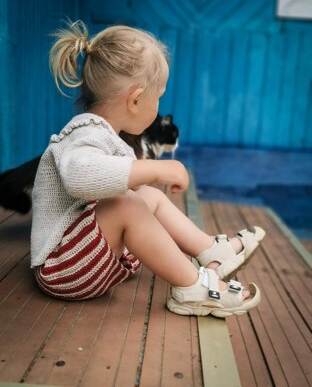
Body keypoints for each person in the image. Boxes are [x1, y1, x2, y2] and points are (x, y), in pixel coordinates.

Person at [31, 20, 265, 318]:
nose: (159, 105)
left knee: (145, 198)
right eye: (159, 96)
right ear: (136, 99)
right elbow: (80, 177)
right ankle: (192, 288)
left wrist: (142, 176)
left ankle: (210, 251)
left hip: (79, 259)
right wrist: (154, 168)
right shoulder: (84, 133)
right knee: (129, 203)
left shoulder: (108, 136)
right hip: (61, 268)